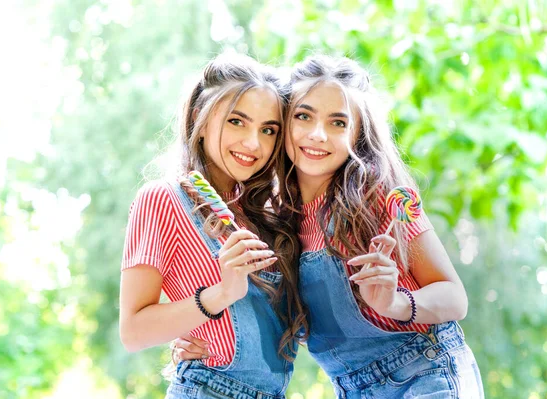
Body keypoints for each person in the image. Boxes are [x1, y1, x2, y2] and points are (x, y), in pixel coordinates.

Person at [176, 55, 484, 398]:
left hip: (424, 375)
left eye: (338, 123)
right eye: (303, 116)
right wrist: (199, 338)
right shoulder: (276, 221)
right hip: (350, 390)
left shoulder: (377, 198)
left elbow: (454, 298)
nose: (317, 135)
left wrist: (396, 302)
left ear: (358, 134)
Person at [119, 53, 306, 399]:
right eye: (237, 121)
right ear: (200, 119)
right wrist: (220, 294)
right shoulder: (163, 199)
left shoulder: (270, 216)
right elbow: (133, 331)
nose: (254, 143)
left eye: (268, 130)